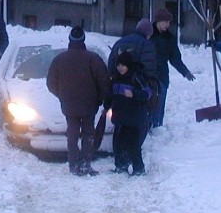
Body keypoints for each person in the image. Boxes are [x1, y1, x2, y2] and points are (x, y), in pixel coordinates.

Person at [47, 26, 110, 177]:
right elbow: (104, 82)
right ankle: (85, 163)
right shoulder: (93, 59)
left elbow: (51, 83)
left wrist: (62, 95)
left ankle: (73, 164)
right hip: (89, 104)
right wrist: (99, 99)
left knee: (72, 132)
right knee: (88, 132)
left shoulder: (59, 60)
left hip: (69, 104)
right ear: (83, 40)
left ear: (70, 40)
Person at [104, 18, 159, 140]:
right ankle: (133, 149)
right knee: (138, 123)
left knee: (121, 122)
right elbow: (150, 73)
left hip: (119, 91)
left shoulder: (119, 42)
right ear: (148, 34)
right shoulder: (147, 45)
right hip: (136, 92)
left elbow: (111, 66)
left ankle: (121, 149)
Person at [106, 51, 153, 176]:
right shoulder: (115, 78)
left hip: (134, 118)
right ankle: (121, 166)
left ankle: (138, 169)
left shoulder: (136, 78)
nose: (120, 68)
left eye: (123, 65)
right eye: (118, 65)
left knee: (133, 145)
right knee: (117, 144)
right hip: (120, 117)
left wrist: (134, 94)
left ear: (128, 65)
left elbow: (148, 93)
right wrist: (107, 106)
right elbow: (111, 95)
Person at [149, 8, 195, 127]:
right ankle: (146, 127)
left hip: (162, 76)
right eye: (165, 21)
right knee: (148, 102)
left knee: (160, 103)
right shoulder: (148, 34)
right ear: (158, 21)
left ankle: (157, 126)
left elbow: (175, 58)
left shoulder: (169, 38)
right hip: (147, 75)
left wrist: (185, 72)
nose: (167, 24)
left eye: (169, 22)